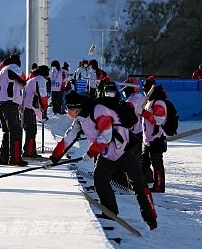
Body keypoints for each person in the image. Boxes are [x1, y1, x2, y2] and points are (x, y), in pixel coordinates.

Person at [46, 90, 158, 231]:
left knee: (138, 183)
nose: (68, 113)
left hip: (123, 150)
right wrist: (54, 159)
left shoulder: (99, 110)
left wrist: (91, 153)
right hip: (106, 154)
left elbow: (106, 135)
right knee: (100, 180)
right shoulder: (80, 119)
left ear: (77, 107)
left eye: (70, 109)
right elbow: (68, 138)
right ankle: (110, 212)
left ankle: (150, 218)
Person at [0, 52, 26, 166]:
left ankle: (4, 158)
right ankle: (15, 158)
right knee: (15, 131)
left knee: (6, 132)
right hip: (10, 103)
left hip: (1, 104)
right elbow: (23, 79)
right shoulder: (13, 67)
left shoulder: (2, 71)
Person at [141, 81, 168, 192]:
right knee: (143, 163)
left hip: (156, 138)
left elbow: (159, 120)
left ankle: (159, 186)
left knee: (157, 165)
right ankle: (139, 184)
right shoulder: (149, 102)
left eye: (145, 90)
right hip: (148, 140)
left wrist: (144, 113)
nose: (145, 93)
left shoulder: (159, 102)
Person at [22, 65, 50, 156]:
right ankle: (29, 151)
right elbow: (42, 95)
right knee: (31, 130)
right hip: (31, 108)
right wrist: (44, 109)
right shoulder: (40, 80)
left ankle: (30, 150)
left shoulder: (31, 80)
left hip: (26, 107)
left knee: (30, 130)